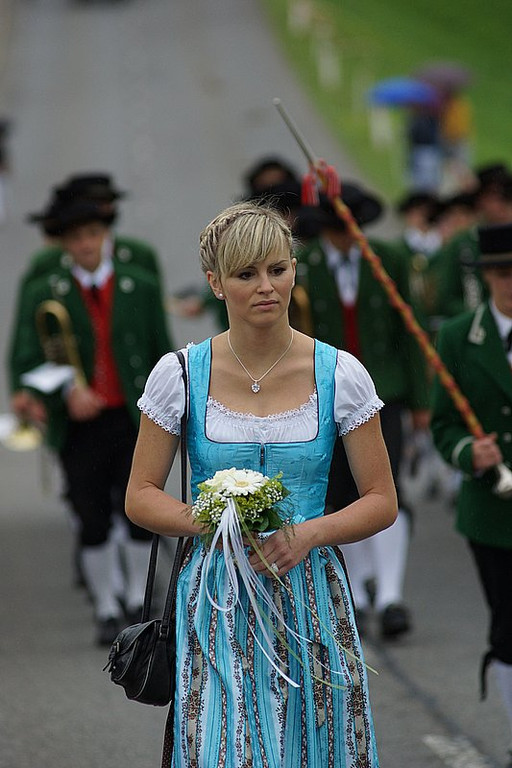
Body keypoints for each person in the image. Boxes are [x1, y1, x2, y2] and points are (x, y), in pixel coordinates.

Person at [125, 201, 397, 767]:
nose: (266, 287)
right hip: (216, 594)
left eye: (277, 269)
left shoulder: (340, 373)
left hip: (310, 593)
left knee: (313, 746)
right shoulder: (180, 373)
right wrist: (212, 521)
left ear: (294, 270)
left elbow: (381, 500)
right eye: (246, 274)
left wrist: (309, 534)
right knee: (226, 749)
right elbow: (141, 495)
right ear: (215, 283)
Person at [12, 199, 172, 645]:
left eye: (93, 235)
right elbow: (27, 354)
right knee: (91, 516)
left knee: (138, 509)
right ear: (63, 244)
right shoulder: (45, 290)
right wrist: (66, 390)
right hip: (79, 425)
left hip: (133, 417)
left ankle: (139, 600)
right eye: (75, 238)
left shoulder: (139, 285)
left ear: (106, 236)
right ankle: (105, 606)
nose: (85, 244)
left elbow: (161, 349)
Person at [294, 184, 430, 639]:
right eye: (335, 230)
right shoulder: (304, 266)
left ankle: (390, 596)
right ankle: (354, 594)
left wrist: (421, 401)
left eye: (351, 229)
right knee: (337, 493)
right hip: (324, 397)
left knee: (387, 489)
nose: (344, 238)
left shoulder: (387, 259)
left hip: (384, 393)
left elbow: (409, 330)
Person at [431, 222, 512, 768]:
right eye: (502, 273)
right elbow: (443, 426)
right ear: (486, 277)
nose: (511, 283)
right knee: (508, 627)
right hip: (493, 513)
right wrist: (469, 453)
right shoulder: (460, 336)